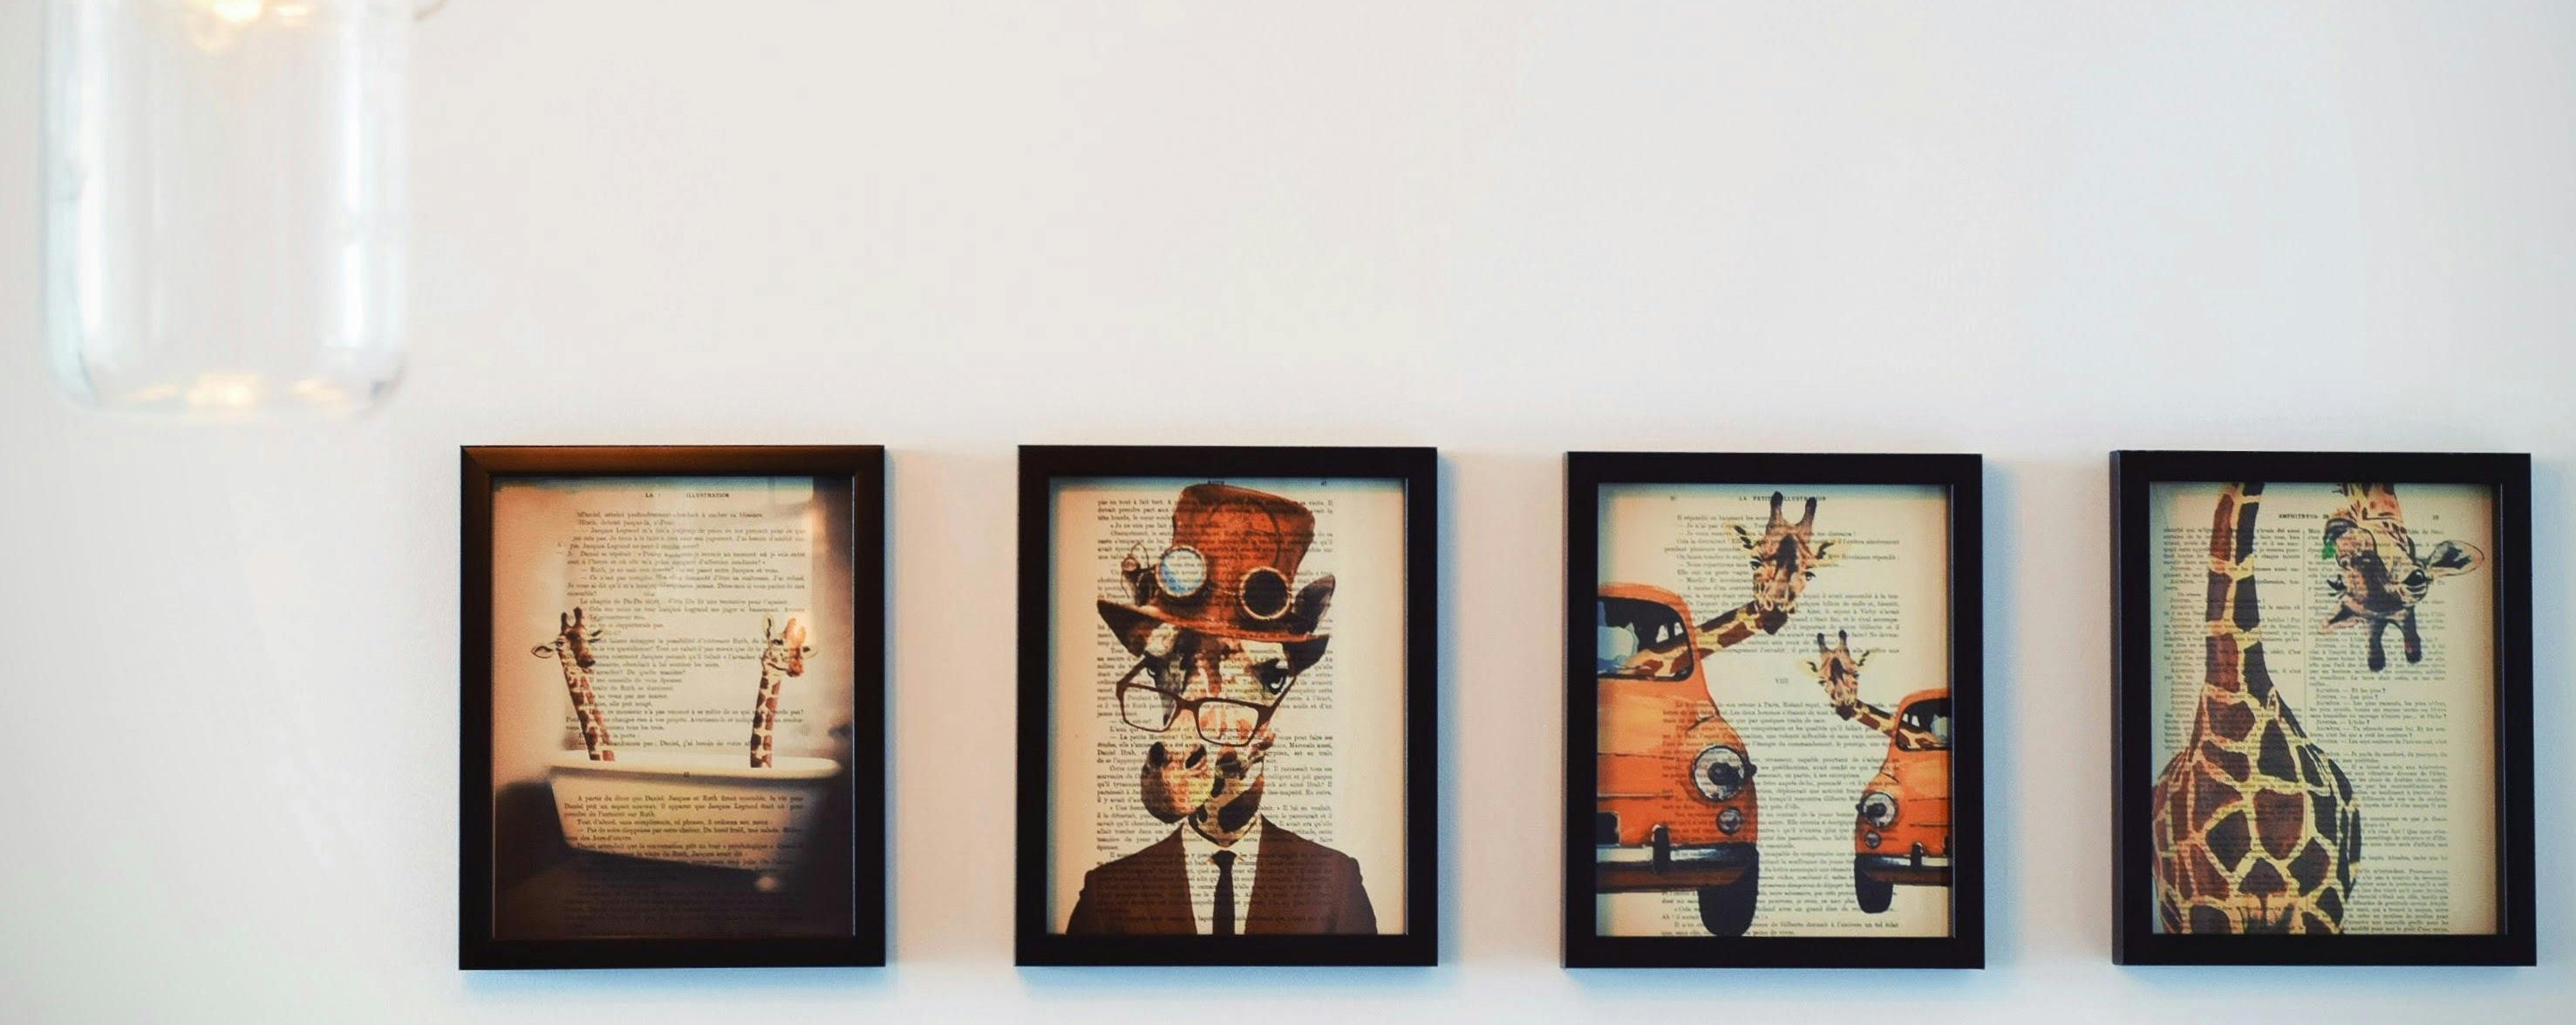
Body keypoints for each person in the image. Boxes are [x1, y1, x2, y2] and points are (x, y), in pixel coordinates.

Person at [1066, 483, 1377, 935]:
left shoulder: (1336, 884)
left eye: (1270, 677)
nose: (1179, 739)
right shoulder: (1106, 895)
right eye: (1158, 669)